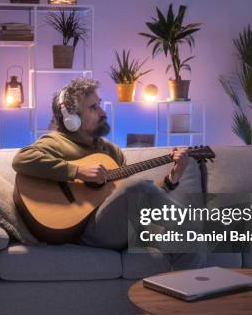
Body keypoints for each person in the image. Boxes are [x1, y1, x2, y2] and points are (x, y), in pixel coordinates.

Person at [12, 77, 198, 251]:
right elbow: (22, 159)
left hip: (120, 225)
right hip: (86, 230)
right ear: (71, 120)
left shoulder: (111, 151)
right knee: (141, 187)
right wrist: (78, 171)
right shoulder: (56, 142)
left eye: (99, 104)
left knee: (187, 242)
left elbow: (137, 198)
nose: (102, 112)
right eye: (93, 108)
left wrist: (173, 178)